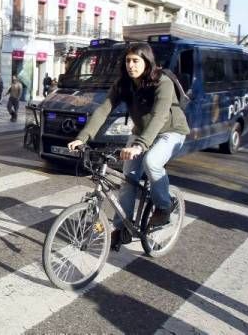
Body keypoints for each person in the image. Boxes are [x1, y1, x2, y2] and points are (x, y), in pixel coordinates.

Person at [67, 42, 190, 249]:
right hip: (142, 133)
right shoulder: (123, 83)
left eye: (136, 61)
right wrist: (83, 137)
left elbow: (160, 116)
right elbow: (103, 110)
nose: (131, 65)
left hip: (171, 132)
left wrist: (140, 146)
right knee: (128, 179)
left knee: (152, 162)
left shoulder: (163, 81)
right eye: (128, 61)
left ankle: (163, 207)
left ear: (147, 62)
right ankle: (121, 228)